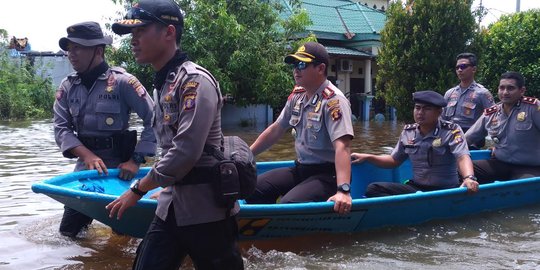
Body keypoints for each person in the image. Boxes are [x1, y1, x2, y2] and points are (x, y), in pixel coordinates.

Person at [105, 0, 244, 269]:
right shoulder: (165, 83)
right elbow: (168, 151)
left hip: (208, 212)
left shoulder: (195, 81)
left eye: (141, 32)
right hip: (171, 207)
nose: (133, 41)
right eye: (132, 34)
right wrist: (164, 186)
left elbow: (185, 152)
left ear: (169, 32)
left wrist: (138, 189)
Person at [53, 21, 156, 238]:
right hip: (86, 172)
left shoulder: (123, 83)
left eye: (78, 48)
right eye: (69, 49)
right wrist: (86, 154)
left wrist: (136, 160)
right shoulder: (67, 86)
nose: (72, 54)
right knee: (67, 235)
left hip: (120, 172)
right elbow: (61, 128)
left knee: (124, 235)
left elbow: (155, 120)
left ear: (98, 51)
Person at [245, 42, 354, 215]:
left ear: (320, 68)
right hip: (301, 169)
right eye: (295, 65)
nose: (296, 70)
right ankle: (265, 229)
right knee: (254, 189)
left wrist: (343, 190)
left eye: (302, 64)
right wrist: (246, 155)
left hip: (328, 175)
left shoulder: (334, 101)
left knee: (289, 205)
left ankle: (289, 230)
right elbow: (276, 130)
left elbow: (343, 146)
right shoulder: (297, 96)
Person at [352, 90, 479, 197]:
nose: (420, 112)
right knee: (373, 189)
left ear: (439, 112)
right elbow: (393, 160)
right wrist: (368, 157)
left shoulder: (451, 131)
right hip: (417, 188)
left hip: (445, 190)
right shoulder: (408, 132)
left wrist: (469, 178)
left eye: (427, 109)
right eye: (417, 108)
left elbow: (462, 156)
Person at [465, 72, 540, 184]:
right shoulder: (491, 114)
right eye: (502, 88)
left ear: (522, 90)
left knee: (522, 189)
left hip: (529, 167)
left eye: (510, 88)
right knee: (460, 170)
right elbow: (467, 138)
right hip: (500, 163)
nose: (505, 92)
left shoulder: (534, 108)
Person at [442, 53, 494, 148]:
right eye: (457, 67)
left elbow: (493, 119)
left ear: (474, 69)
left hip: (471, 140)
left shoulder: (482, 93)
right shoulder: (450, 93)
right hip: (449, 136)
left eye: (463, 66)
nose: (459, 70)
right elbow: (442, 118)